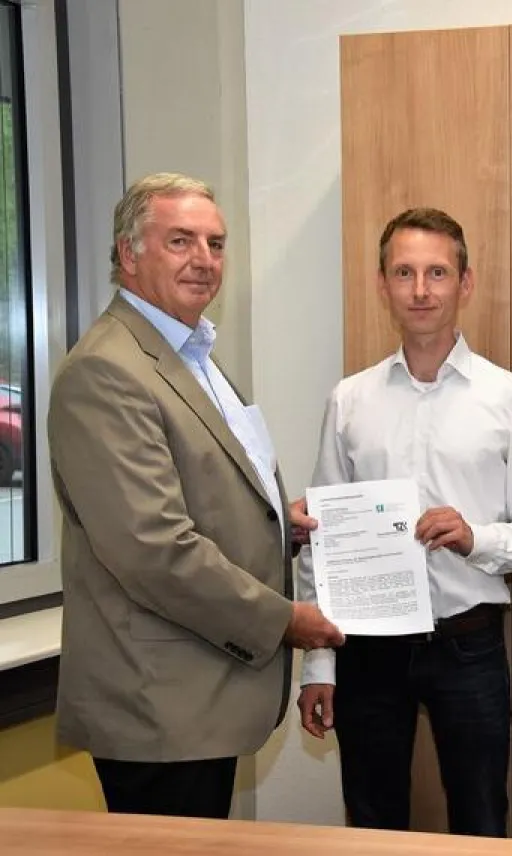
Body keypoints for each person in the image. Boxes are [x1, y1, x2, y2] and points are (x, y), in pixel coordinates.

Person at [47, 173, 344, 819]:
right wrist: (283, 620)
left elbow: (205, 495)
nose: (204, 259)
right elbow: (153, 549)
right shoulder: (107, 369)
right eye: (180, 241)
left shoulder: (187, 353)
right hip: (157, 705)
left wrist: (280, 528)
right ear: (128, 254)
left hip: (195, 698)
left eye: (215, 243)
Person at [294, 207, 512, 836]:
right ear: (382, 284)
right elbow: (319, 544)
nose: (421, 290)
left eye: (437, 272)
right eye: (404, 273)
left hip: (468, 645)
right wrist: (319, 666)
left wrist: (477, 538)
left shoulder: (510, 397)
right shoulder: (349, 400)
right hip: (367, 649)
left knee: (481, 824)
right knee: (372, 824)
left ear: (465, 283)